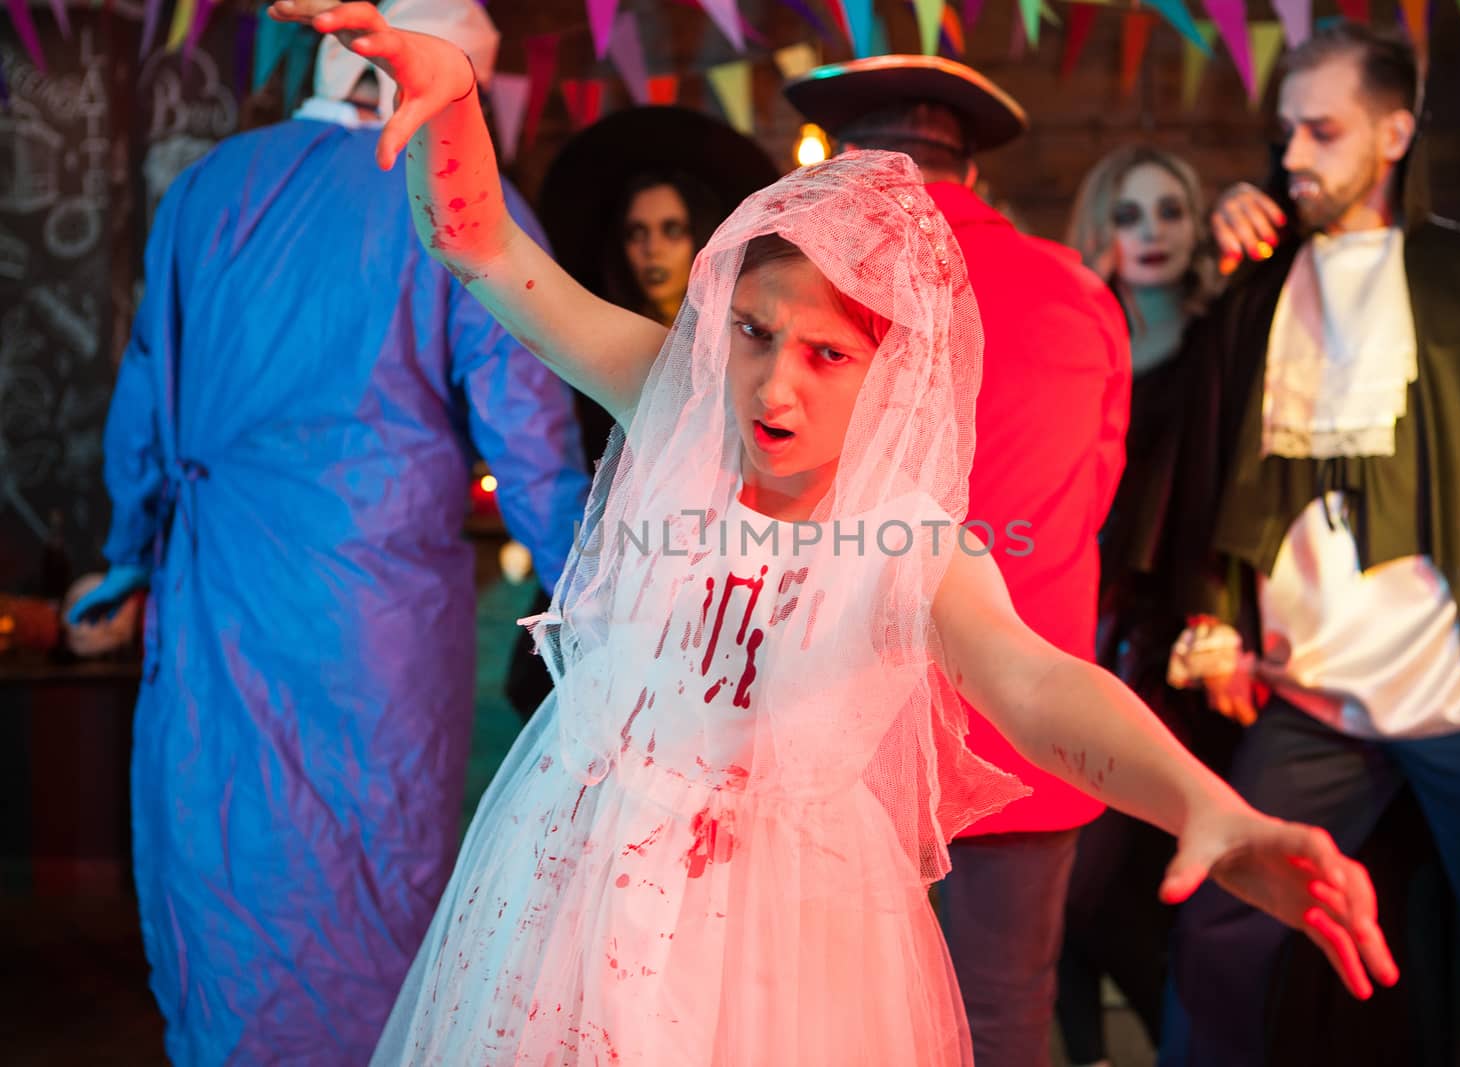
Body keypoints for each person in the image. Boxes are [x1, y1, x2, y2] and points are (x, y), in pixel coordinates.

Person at [270, 3, 1398, 1063]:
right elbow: (486, 254)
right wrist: (457, 102)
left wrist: (1207, 802)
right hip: (585, 874)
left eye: (827, 353)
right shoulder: (681, 403)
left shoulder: (903, 539)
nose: (773, 380)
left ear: (893, 376)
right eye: (755, 330)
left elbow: (1038, 686)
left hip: (786, 929)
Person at [66, 0, 589, 1060]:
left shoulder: (210, 187)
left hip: (212, 597)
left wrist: (126, 560)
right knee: (375, 889)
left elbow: (143, 410)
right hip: (373, 631)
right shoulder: (462, 200)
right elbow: (532, 442)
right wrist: (602, 597)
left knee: (219, 875)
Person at [1160, 23, 1460, 1066]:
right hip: (1312, 693)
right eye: (1286, 132)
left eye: (1324, 129)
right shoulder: (1260, 290)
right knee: (1219, 930)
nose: (1298, 154)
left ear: (1394, 131)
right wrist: (1214, 618)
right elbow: (1219, 471)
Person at [781, 55, 1132, 1065]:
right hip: (1025, 731)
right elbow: (1094, 492)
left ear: (851, 169)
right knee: (1002, 1018)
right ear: (969, 172)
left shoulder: (818, 286)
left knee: (831, 1020)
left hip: (847, 725)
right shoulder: (1077, 293)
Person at [1055, 144, 1239, 1066]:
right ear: (1102, 229)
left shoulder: (1224, 337)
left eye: (1170, 210)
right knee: (1078, 884)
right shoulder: (1083, 340)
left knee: (1168, 880)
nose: (1153, 232)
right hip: (1090, 634)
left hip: (1198, 645)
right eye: (1130, 215)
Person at [504, 109, 779, 720]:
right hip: (602, 582)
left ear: (698, 237)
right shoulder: (593, 351)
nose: (653, 248)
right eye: (638, 232)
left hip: (716, 593)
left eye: (671, 229)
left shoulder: (743, 346)